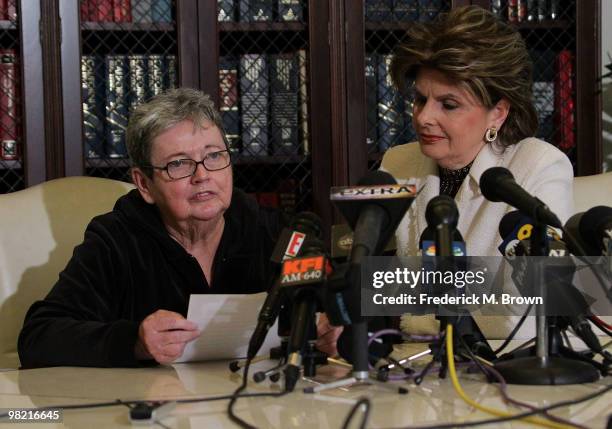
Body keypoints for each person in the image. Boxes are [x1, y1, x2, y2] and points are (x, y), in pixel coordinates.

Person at [18, 88, 331, 367]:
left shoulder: (271, 230)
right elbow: (39, 336)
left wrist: (340, 323)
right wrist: (135, 342)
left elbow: (354, 294)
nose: (202, 175)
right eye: (178, 164)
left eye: (213, 156)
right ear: (144, 184)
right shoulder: (116, 240)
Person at [380, 6, 574, 338]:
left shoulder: (538, 165)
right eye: (420, 99)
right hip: (408, 367)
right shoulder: (397, 164)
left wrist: (402, 316)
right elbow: (369, 280)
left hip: (497, 371)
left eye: (448, 104)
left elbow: (521, 311)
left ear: (497, 113)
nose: (424, 117)